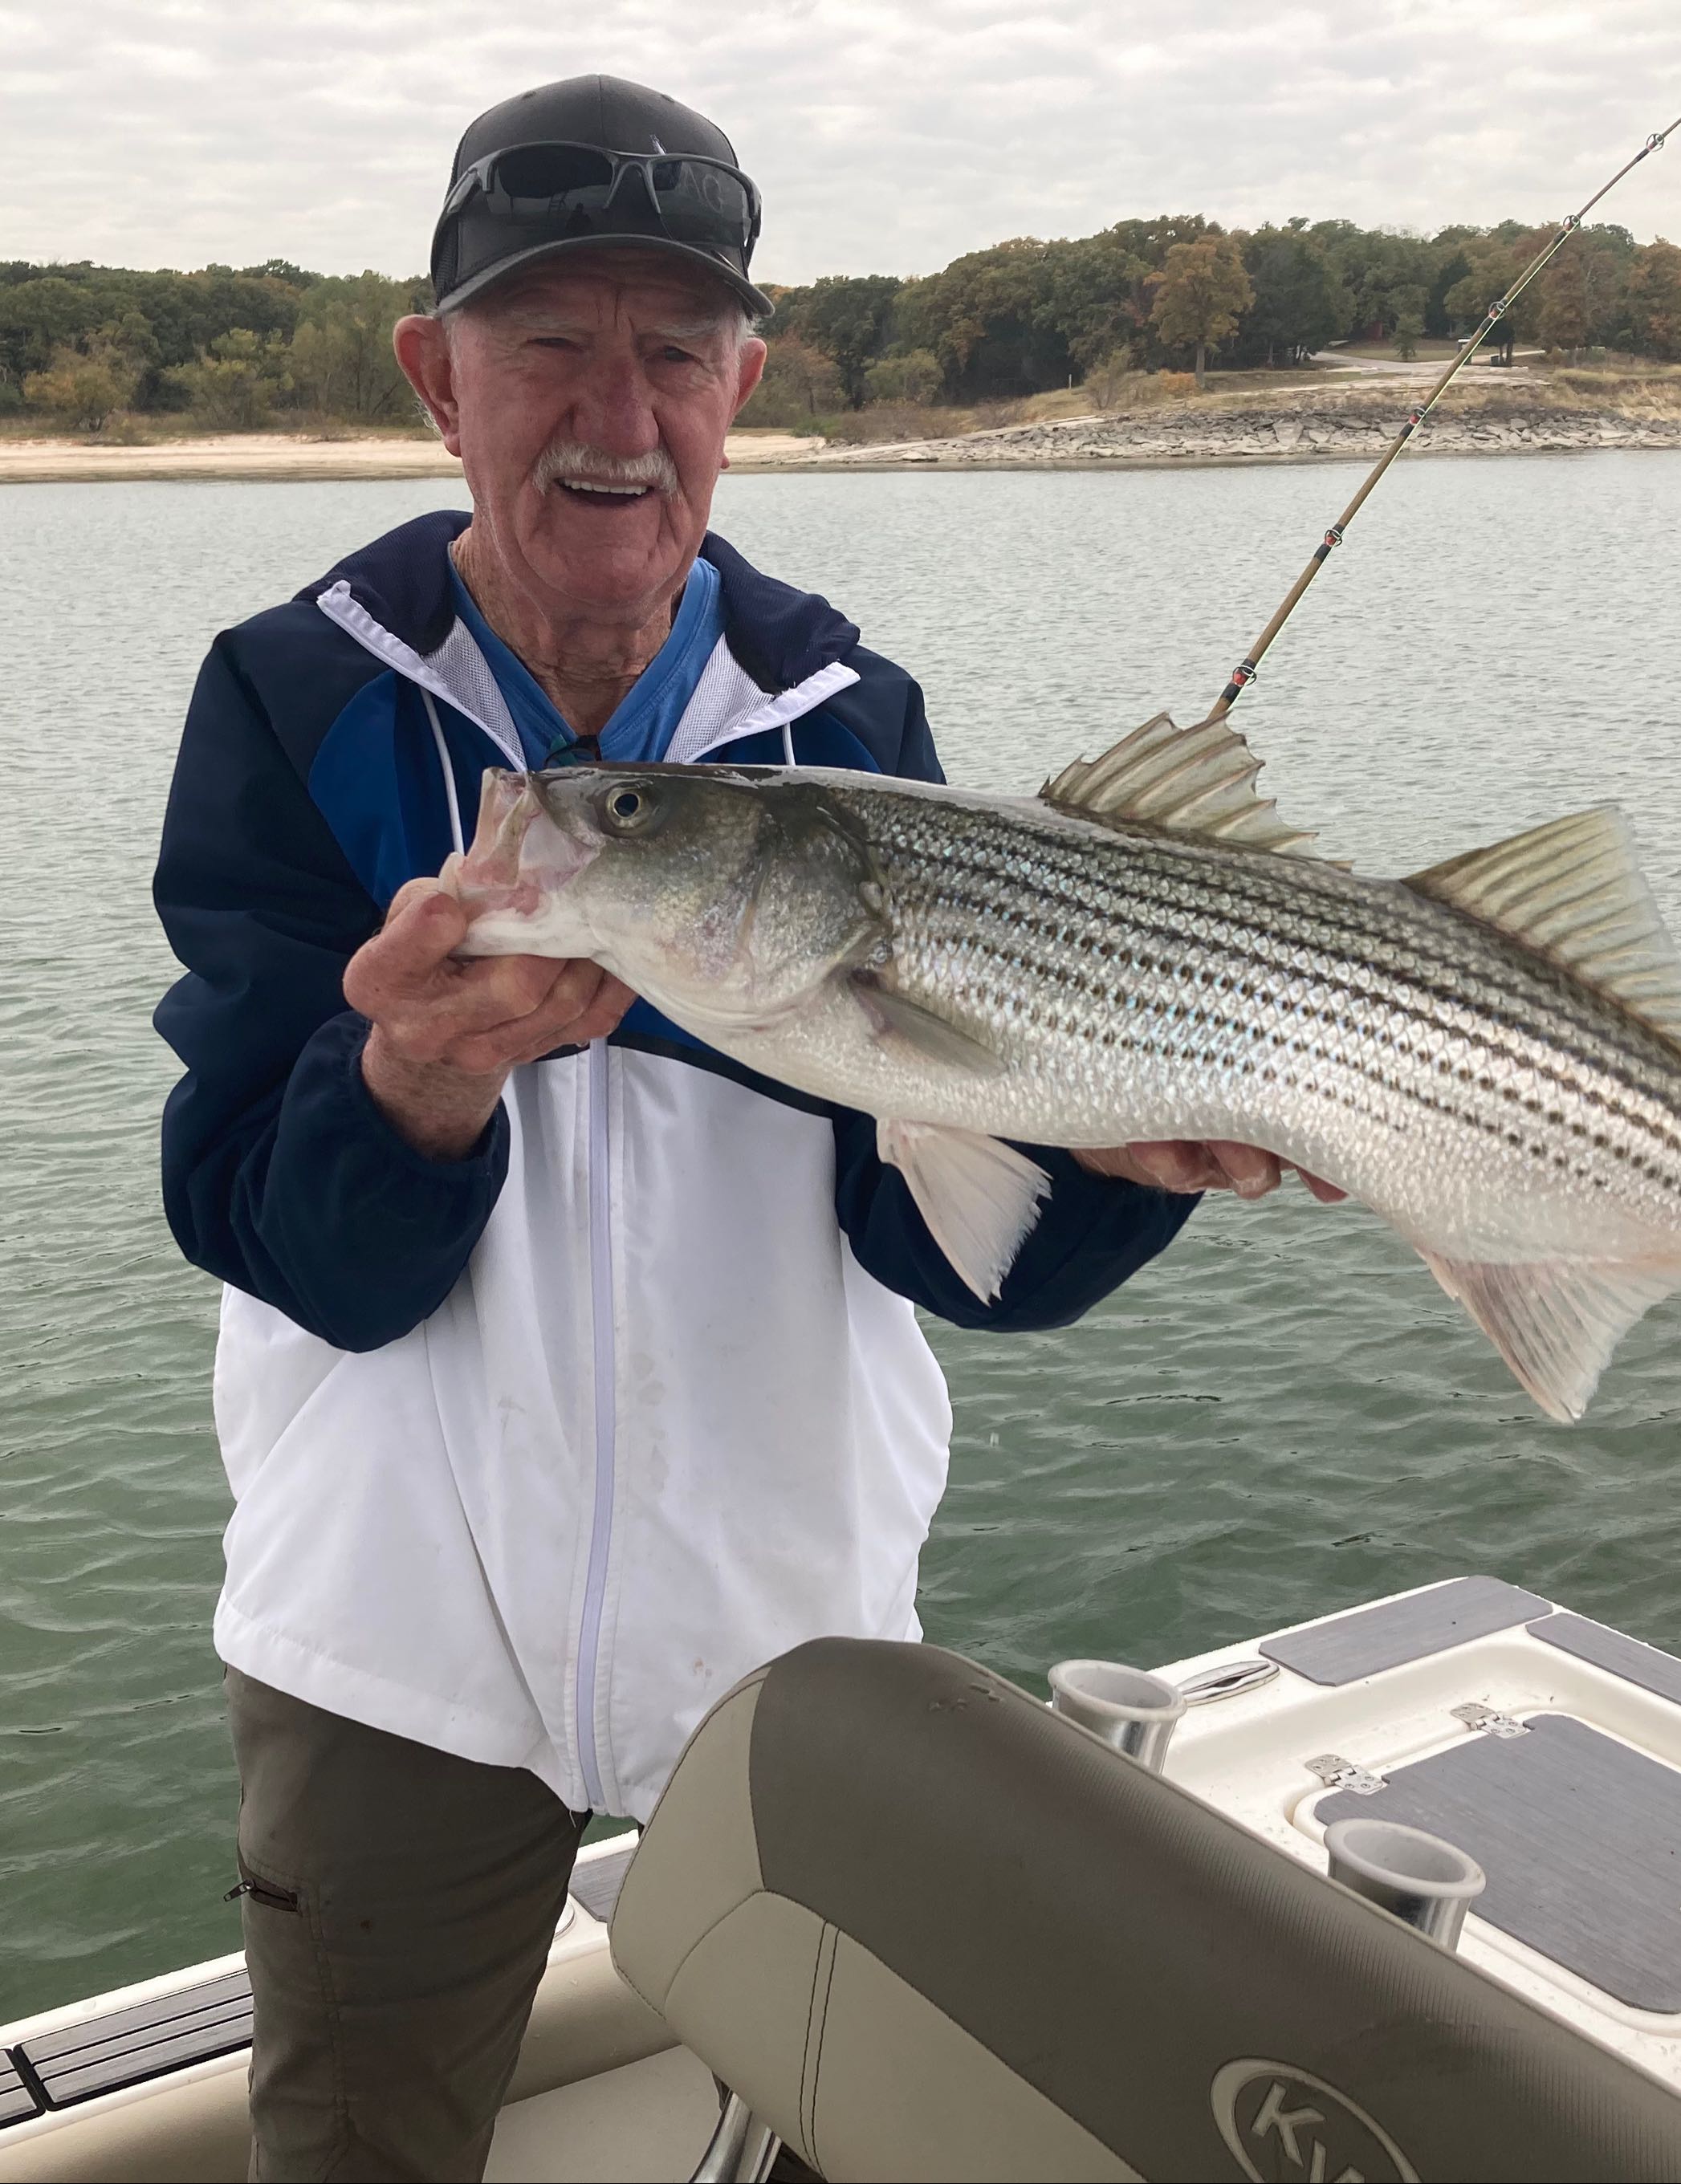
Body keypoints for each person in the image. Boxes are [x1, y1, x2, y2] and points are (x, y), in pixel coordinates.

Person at [153, 72, 1337, 2184]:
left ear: (745, 385)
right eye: (549, 340)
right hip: (394, 1637)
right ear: (436, 376)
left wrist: (1123, 1156)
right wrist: (414, 1083)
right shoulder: (293, 703)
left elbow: (949, 1248)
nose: (616, 414)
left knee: (844, 2128)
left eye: (677, 351)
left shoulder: (853, 731)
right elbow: (280, 1236)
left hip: (787, 1620)